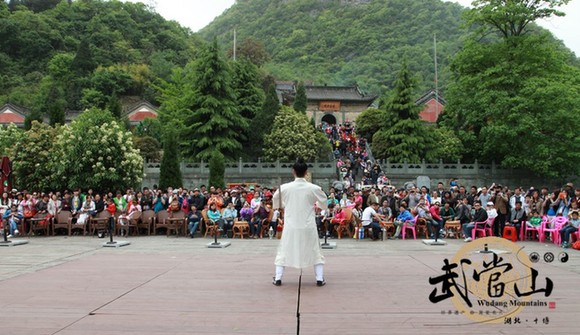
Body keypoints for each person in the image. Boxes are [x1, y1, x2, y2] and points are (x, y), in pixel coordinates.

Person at [272, 158, 328, 287]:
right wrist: (319, 205)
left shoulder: (285, 188)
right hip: (308, 224)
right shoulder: (313, 188)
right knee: (315, 250)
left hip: (291, 224)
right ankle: (319, 278)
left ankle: (279, 278)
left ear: (293, 171)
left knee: (284, 250)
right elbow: (323, 200)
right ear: (306, 172)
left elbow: (276, 199)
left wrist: (284, 204)